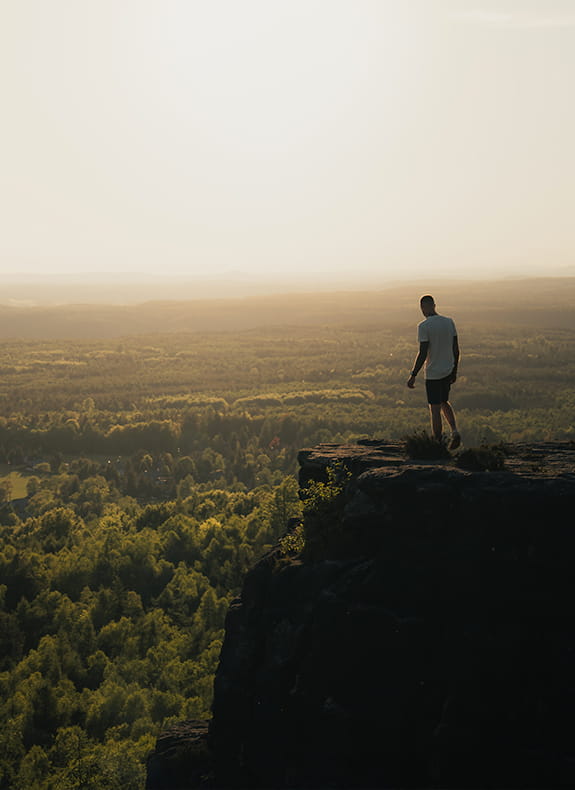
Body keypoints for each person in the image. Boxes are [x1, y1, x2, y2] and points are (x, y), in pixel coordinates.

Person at [407, 295, 461, 449]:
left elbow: (423, 353)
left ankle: (437, 444)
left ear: (423, 308)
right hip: (448, 370)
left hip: (433, 373)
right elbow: (456, 350)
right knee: (444, 401)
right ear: (434, 305)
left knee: (434, 408)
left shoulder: (424, 326)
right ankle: (455, 431)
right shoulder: (449, 322)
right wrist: (454, 370)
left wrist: (413, 375)